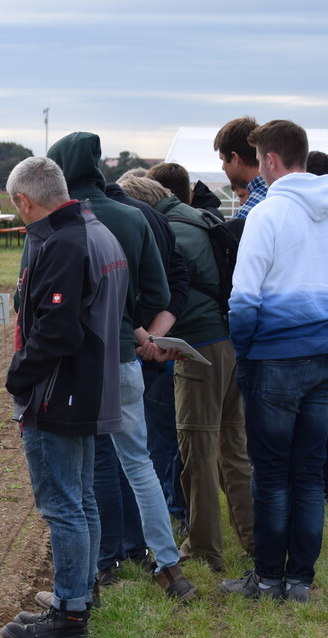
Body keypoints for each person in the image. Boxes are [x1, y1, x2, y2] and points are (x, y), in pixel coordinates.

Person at [220, 120, 328, 603]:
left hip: (273, 359)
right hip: (326, 356)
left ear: (269, 160)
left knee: (272, 472)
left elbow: (243, 299)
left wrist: (246, 350)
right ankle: (300, 580)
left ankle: (266, 578)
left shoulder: (266, 214)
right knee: (307, 472)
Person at [46, 131, 196, 603]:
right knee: (139, 463)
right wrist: (133, 327)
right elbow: (158, 293)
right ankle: (168, 566)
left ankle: (85, 576)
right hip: (126, 359)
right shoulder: (133, 217)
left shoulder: (60, 222)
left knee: (82, 475)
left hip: (76, 367)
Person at [0, 156, 128, 638]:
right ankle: (79, 592)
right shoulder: (95, 232)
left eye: (17, 208)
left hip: (60, 392)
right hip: (90, 385)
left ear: (25, 201)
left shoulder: (64, 243)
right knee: (82, 498)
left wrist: (18, 377)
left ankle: (69, 618)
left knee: (63, 505)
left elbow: (57, 329)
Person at [129, 169, 256, 572]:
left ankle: (203, 546)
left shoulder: (166, 231)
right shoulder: (199, 217)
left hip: (197, 349)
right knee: (233, 449)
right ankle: (255, 539)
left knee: (196, 449)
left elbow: (162, 292)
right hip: (230, 343)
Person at [106, 172, 191, 535]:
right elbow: (178, 281)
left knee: (125, 455)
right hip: (156, 346)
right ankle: (163, 543)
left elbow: (118, 299)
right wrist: (156, 337)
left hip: (128, 350)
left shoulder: (118, 220)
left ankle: (130, 540)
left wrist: (142, 337)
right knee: (151, 450)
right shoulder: (159, 219)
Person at [214, 116, 267, 219]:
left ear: (234, 158)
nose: (223, 167)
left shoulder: (248, 213)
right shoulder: (278, 191)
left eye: (223, 160)